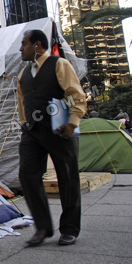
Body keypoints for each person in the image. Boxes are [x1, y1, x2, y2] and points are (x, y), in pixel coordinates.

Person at [17, 29, 86, 247]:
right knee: (27, 175)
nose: (21, 48)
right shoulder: (23, 74)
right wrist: (25, 124)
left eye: (24, 44)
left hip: (60, 127)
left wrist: (72, 122)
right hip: (32, 132)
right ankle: (43, 227)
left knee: (67, 177)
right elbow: (22, 104)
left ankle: (69, 229)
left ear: (37, 45)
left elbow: (76, 95)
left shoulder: (59, 64)